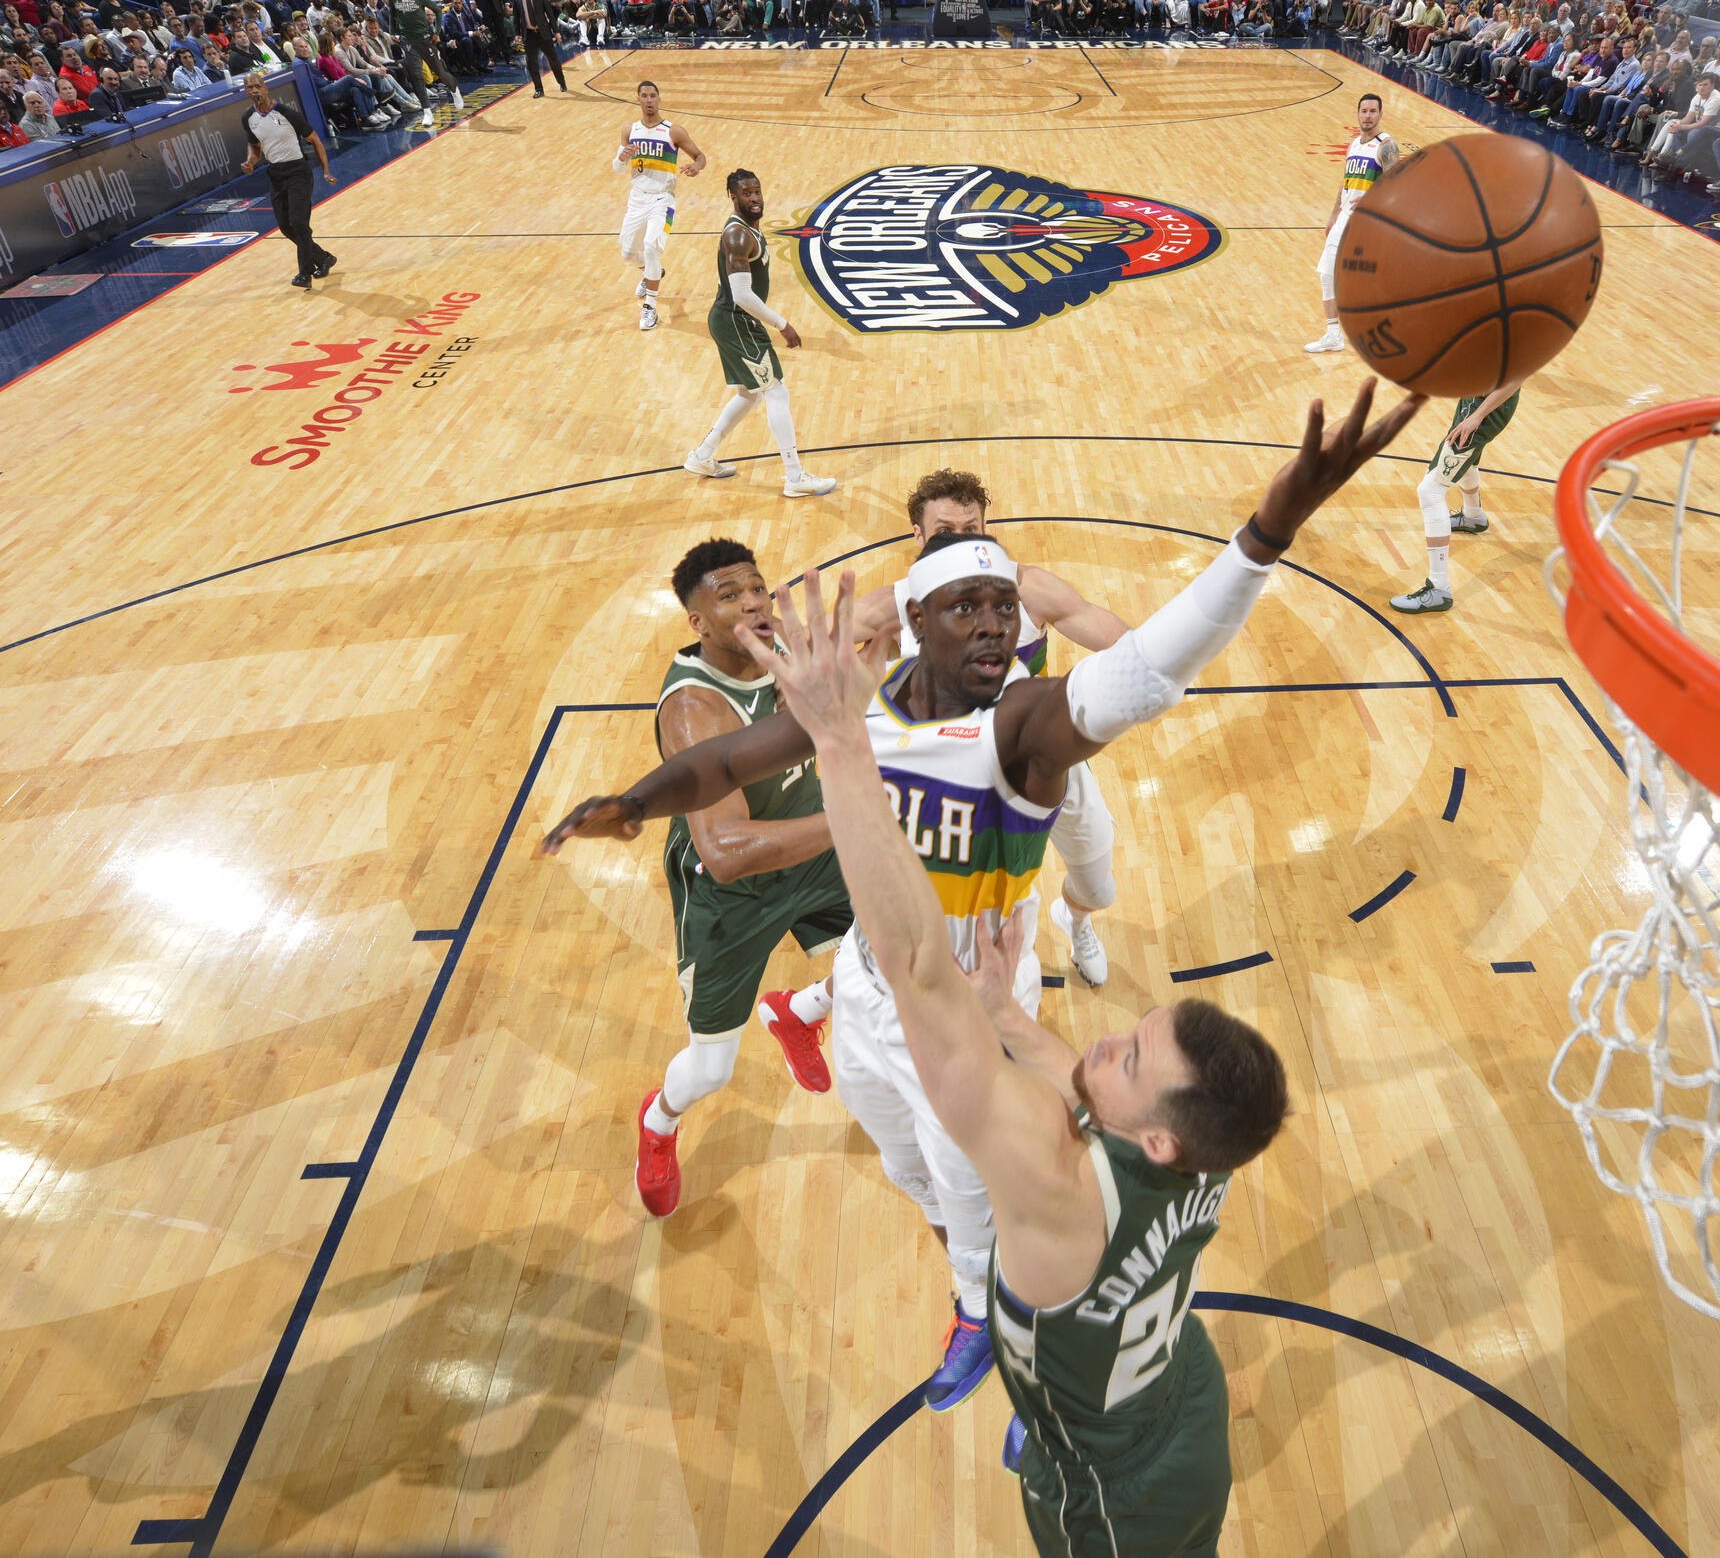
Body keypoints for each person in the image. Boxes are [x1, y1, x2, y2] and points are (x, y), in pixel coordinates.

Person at [540, 378, 1415, 1441]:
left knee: (972, 1193)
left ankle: (985, 1320)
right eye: (969, 607)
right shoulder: (853, 700)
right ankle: (947, 1237)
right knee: (908, 1165)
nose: (997, 624)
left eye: (1004, 605)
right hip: (870, 980)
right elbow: (729, 755)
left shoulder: (1028, 728)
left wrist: (1265, 535)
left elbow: (1144, 669)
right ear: (914, 624)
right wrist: (632, 805)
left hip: (971, 987)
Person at [543, 539, 851, 1216]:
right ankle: (657, 1124)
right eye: (728, 595)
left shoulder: (788, 648)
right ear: (697, 622)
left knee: (886, 965)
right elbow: (727, 850)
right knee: (711, 1068)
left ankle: (797, 1013)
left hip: (814, 845)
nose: (751, 603)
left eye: (756, 589)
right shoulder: (694, 708)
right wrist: (859, 818)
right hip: (731, 893)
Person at [850, 469, 1133, 987]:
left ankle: (1075, 919)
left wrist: (1163, 661)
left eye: (971, 528)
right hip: (951, 784)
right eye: (943, 532)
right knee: (963, 926)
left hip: (1042, 765)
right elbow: (800, 653)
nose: (960, 541)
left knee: (1098, 888)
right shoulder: (892, 607)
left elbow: (1124, 647)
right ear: (917, 536)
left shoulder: (1030, 589)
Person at [680, 169, 834, 497]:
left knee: (750, 393)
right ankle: (794, 477)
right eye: (746, 194)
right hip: (737, 320)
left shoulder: (749, 228)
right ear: (732, 197)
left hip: (730, 319)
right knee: (776, 392)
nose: (754, 199)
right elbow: (741, 295)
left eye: (757, 192)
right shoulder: (737, 236)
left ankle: (703, 456)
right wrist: (782, 323)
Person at [1392, 381, 1524, 614]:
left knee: (1430, 491)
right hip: (1476, 398)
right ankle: (1473, 516)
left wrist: (1478, 416)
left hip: (1486, 407)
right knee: (1466, 458)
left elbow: (1517, 376)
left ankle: (1438, 590)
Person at [1306, 94, 1398, 355]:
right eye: (1363, 111)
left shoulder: (1386, 145)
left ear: (1380, 114)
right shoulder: (1354, 145)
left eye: (1372, 111)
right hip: (1345, 218)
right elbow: (1345, 183)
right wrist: (1333, 215)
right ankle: (1334, 333)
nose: (1367, 115)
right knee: (1328, 273)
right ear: (1357, 114)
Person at [615, 80, 706, 331]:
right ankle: (650, 273)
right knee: (627, 253)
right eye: (644, 96)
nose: (649, 100)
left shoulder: (673, 131)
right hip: (637, 198)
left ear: (659, 99)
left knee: (651, 246)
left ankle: (650, 308)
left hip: (662, 200)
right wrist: (620, 157)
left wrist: (696, 167)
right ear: (638, 99)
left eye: (653, 95)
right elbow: (617, 168)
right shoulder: (629, 130)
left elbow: (701, 156)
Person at [238, 70, 335, 290]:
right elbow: (254, 145)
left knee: (299, 223)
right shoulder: (248, 118)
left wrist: (326, 171)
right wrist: (250, 161)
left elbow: (315, 140)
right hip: (276, 174)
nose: (255, 91)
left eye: (258, 86)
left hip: (298, 171)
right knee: (286, 226)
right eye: (250, 88)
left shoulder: (286, 113)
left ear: (265, 87)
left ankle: (304, 273)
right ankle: (324, 258)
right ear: (246, 91)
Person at [510, 0, 567, 98]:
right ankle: (539, 89)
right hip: (528, 34)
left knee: (553, 59)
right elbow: (516, 16)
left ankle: (561, 82)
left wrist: (556, 31)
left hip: (543, 32)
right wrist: (517, 33)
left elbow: (550, 13)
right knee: (531, 63)